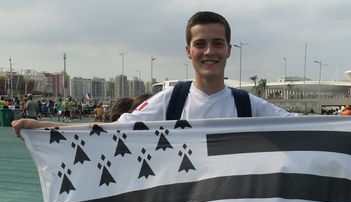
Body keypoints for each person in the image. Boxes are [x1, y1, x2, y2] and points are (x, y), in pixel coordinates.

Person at [12, 11, 294, 137]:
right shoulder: (169, 101)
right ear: (188, 51)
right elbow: (105, 132)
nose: (209, 51)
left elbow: (309, 128)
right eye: (200, 44)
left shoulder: (249, 105)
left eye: (217, 43)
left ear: (229, 50)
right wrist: (43, 127)